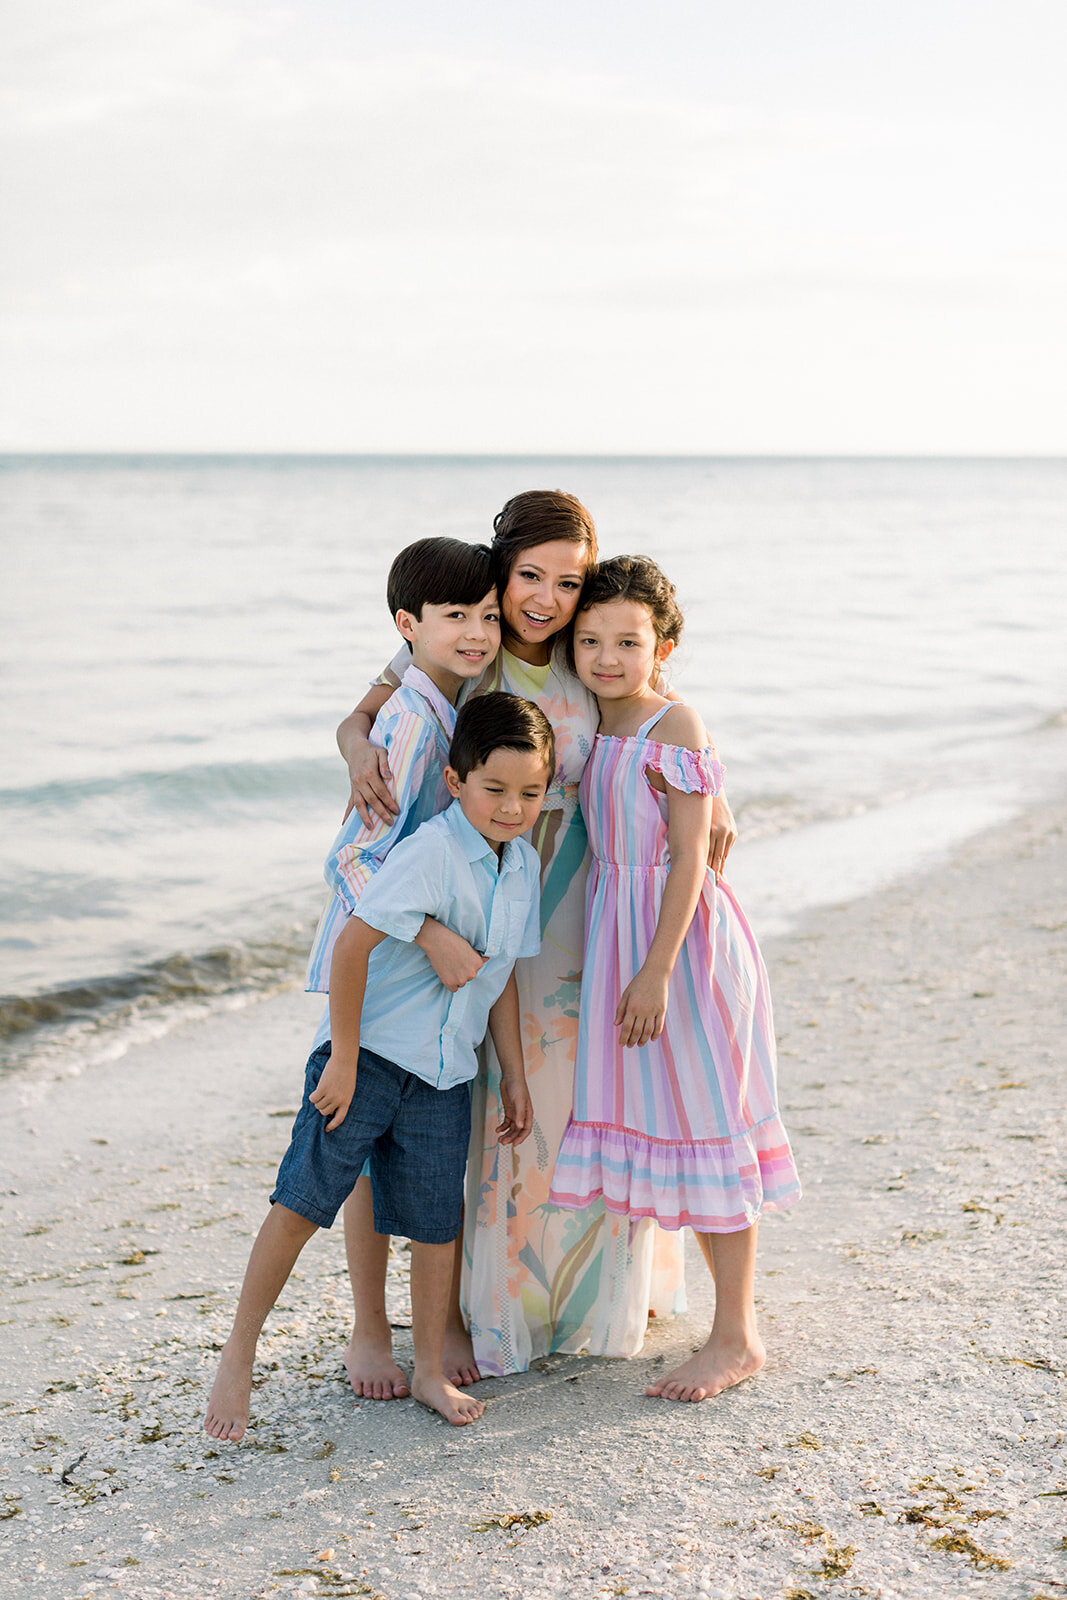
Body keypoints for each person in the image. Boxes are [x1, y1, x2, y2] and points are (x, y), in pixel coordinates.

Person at [339, 491, 739, 1379]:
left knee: (561, 1101)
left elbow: (657, 713)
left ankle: (564, 1297)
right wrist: (354, 739)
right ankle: (403, 1320)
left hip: (576, 907)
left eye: (566, 583)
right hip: (456, 900)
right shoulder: (469, 642)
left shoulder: (575, 648)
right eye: (530, 577)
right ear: (501, 571)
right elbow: (379, 701)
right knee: (435, 1102)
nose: (545, 599)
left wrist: (716, 800)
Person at [203, 693, 553, 1440]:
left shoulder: (522, 866)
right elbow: (351, 947)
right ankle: (239, 1353)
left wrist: (513, 1075)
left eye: (530, 792)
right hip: (369, 1060)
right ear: (456, 782)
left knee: (434, 1224)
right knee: (301, 1202)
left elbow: (498, 980)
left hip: (446, 1074)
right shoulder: (429, 850)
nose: (512, 807)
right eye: (494, 789)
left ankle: (426, 1367)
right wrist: (346, 1060)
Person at [549, 555, 801, 1399]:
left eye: (628, 640)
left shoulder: (672, 723)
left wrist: (654, 972)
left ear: (663, 644)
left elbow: (692, 856)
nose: (606, 655)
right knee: (672, 1125)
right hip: (622, 933)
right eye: (590, 639)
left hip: (680, 945)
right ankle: (716, 1321)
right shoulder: (592, 717)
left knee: (707, 1123)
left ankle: (737, 1336)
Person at [303, 536, 502, 1402]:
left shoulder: (447, 690)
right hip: (382, 961)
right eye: (459, 617)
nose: (478, 631)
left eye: (486, 615)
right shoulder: (417, 719)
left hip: (420, 955)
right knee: (366, 1138)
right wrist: (421, 931)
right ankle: (371, 1331)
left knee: (416, 1139)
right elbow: (354, 860)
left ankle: (426, 1322)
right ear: (413, 622)